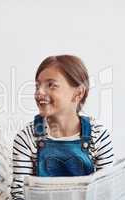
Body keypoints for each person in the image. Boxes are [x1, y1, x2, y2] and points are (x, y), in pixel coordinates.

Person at [11, 55, 114, 199]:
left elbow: (107, 192)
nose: (39, 92)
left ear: (78, 93)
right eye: (37, 85)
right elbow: (19, 194)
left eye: (51, 85)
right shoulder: (27, 138)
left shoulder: (98, 135)